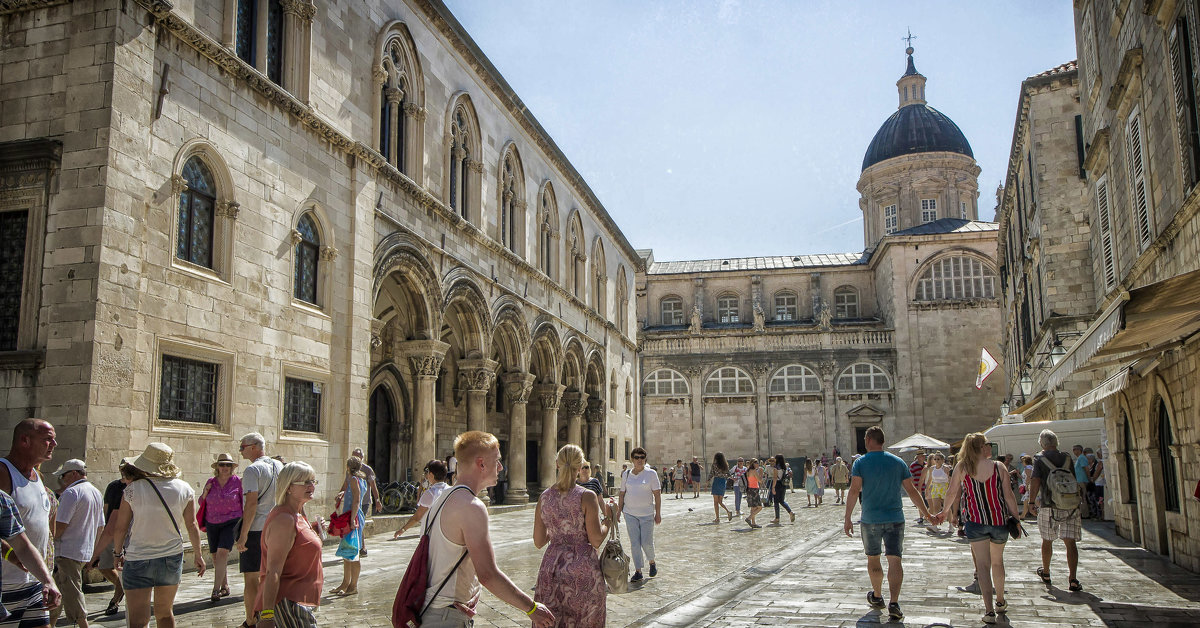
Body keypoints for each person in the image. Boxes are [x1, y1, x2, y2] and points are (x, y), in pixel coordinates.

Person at [420, 431, 554, 627]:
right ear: (481, 464)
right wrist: (531, 608)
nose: (501, 467)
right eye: (497, 460)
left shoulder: (442, 497)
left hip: (432, 611)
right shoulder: (471, 506)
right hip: (446, 617)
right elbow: (488, 575)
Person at [94, 443, 205, 628]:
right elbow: (192, 525)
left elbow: (120, 528)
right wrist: (198, 554)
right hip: (171, 557)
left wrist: (117, 553)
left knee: (138, 619)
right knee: (165, 613)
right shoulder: (184, 488)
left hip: (138, 556)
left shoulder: (133, 489)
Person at [843, 426, 940, 623]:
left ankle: (877, 596)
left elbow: (854, 491)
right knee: (895, 560)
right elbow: (912, 491)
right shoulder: (898, 462)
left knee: (873, 559)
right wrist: (928, 514)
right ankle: (894, 603)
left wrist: (847, 517)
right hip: (895, 518)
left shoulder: (860, 463)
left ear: (869, 440)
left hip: (870, 519)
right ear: (883, 441)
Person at [938, 433, 1020, 624]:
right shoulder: (999, 467)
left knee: (983, 566)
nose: (989, 447)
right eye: (987, 444)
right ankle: (1000, 601)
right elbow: (1008, 495)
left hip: (975, 522)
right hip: (999, 521)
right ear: (981, 447)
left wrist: (944, 512)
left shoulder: (962, 467)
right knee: (998, 562)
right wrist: (1016, 518)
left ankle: (989, 610)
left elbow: (951, 493)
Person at [533, 445, 609, 627]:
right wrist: (608, 520)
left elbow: (538, 541)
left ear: (557, 464)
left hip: (551, 567)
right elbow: (596, 539)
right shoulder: (587, 496)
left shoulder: (544, 497)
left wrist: (558, 528)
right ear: (580, 466)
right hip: (582, 567)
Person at [0, 418, 57, 626]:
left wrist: (47, 578)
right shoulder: (3, 473)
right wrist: (9, 553)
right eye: (48, 439)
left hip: (34, 583)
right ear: (25, 440)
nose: (54, 445)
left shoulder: (37, 475)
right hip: (7, 584)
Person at [254, 462, 324, 628]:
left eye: (313, 481)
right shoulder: (284, 519)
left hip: (297, 603)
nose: (311, 486)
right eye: (305, 482)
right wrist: (267, 615)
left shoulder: (297, 514)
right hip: (288, 604)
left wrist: (314, 530)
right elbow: (273, 570)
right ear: (289, 487)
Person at [1021, 429, 1083, 591]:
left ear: (1042, 443)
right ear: (1056, 443)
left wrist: (1032, 501)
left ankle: (1047, 572)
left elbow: (1035, 480)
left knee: (1047, 540)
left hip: (1049, 504)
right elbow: (1074, 479)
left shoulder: (1039, 459)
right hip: (1070, 503)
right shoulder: (1067, 457)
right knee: (1070, 542)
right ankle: (1073, 579)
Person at [49, 459, 104, 628]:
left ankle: (83, 624)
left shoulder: (72, 493)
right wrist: (93, 551)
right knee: (58, 590)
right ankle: (49, 623)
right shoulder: (95, 492)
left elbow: (60, 526)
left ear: (74, 473)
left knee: (72, 591)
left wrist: (48, 541)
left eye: (64, 476)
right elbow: (100, 526)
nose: (62, 480)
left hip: (67, 551)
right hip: (82, 550)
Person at [237, 432, 284, 628]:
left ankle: (251, 619)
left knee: (252, 577)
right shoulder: (279, 466)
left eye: (242, 447)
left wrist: (243, 535)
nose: (240, 451)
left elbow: (251, 505)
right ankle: (270, 616)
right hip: (278, 527)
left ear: (255, 446)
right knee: (273, 574)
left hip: (257, 529)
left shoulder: (252, 470)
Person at [0, 488, 62, 621]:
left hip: (31, 585)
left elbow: (22, 545)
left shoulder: (2, 500)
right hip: (10, 585)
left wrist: (48, 581)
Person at [200, 453, 242, 603]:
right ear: (217, 467)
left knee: (222, 552)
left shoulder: (237, 482)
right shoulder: (211, 482)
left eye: (228, 465)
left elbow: (244, 502)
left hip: (231, 521)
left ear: (232, 468)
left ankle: (215, 589)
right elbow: (201, 501)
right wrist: (205, 492)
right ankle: (225, 585)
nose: (225, 467)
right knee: (216, 556)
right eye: (222, 464)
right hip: (212, 522)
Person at [618, 447, 662, 582]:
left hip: (647, 513)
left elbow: (657, 495)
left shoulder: (651, 474)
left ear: (645, 459)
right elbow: (622, 493)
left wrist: (658, 513)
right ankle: (638, 570)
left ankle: (652, 562)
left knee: (646, 542)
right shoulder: (626, 474)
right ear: (632, 459)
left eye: (642, 457)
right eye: (636, 457)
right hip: (630, 513)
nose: (639, 460)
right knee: (635, 543)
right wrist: (619, 511)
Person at [92, 465, 129, 615]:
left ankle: (115, 600)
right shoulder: (113, 486)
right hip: (111, 530)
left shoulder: (134, 489)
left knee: (121, 568)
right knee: (104, 567)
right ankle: (123, 588)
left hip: (126, 533)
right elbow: (106, 509)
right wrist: (104, 529)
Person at [330, 457, 365, 596]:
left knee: (353, 552)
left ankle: (353, 586)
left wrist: (352, 520)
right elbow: (344, 490)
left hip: (353, 517)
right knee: (346, 552)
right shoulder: (352, 479)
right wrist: (340, 494)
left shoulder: (355, 480)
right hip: (348, 517)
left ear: (348, 467)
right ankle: (345, 583)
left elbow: (356, 501)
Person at [394, 460, 449, 538]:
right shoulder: (450, 490)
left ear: (431, 475)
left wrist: (402, 530)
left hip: (432, 535)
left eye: (428, 471)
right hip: (448, 534)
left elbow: (417, 517)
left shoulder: (430, 493)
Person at [350, 449, 380, 558]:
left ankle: (362, 547)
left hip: (364, 501)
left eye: (358, 457)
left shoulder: (367, 470)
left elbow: (373, 486)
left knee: (360, 523)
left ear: (362, 458)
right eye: (354, 456)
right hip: (352, 501)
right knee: (354, 523)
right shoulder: (350, 469)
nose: (356, 459)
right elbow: (346, 483)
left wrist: (377, 500)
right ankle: (356, 546)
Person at [921, 452, 951, 533]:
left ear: (942, 460)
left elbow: (950, 479)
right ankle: (935, 525)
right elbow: (930, 479)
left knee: (947, 507)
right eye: (935, 459)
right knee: (936, 507)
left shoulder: (946, 468)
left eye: (938, 459)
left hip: (944, 487)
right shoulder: (932, 469)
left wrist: (950, 489)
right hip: (935, 488)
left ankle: (951, 525)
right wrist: (927, 489)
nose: (936, 461)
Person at [770, 454, 796, 523]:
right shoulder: (785, 467)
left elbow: (775, 478)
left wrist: (773, 487)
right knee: (781, 501)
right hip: (784, 484)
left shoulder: (776, 468)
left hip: (778, 484)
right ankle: (790, 512)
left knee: (776, 502)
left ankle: (777, 518)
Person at [709, 453, 733, 523]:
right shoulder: (725, 465)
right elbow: (728, 474)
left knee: (716, 502)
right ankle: (728, 511)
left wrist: (707, 481)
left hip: (716, 481)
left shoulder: (714, 465)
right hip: (722, 482)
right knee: (720, 501)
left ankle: (717, 518)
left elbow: (711, 473)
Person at [742, 459, 764, 528]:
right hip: (754, 490)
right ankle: (749, 518)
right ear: (753, 464)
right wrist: (761, 473)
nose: (758, 464)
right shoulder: (754, 471)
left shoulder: (748, 471)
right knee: (759, 507)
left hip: (749, 489)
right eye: (756, 463)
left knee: (753, 507)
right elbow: (760, 480)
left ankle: (753, 523)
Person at [909, 451, 927, 524]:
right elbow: (911, 477)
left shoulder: (926, 464)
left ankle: (926, 515)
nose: (923, 457)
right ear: (918, 457)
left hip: (926, 486)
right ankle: (921, 517)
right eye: (922, 456)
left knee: (927, 503)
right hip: (918, 486)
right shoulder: (913, 465)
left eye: (924, 456)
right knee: (920, 502)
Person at [1071, 445, 1088, 518]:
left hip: (1082, 480)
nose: (1074, 451)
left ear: (1079, 450)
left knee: (1083, 497)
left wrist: (1089, 478)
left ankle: (1085, 514)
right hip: (1078, 480)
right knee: (1080, 497)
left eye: (1075, 449)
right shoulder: (1078, 458)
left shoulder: (1082, 458)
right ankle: (1081, 513)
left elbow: (1086, 468)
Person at [1088, 450, 1105, 520]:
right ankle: (1102, 515)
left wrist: (1093, 479)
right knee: (1100, 500)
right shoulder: (1103, 461)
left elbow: (1097, 471)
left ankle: (1102, 515)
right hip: (1102, 483)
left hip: (1099, 483)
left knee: (1100, 500)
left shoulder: (1101, 462)